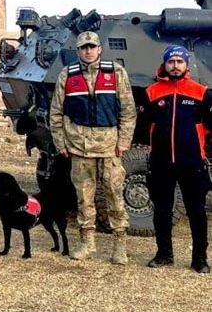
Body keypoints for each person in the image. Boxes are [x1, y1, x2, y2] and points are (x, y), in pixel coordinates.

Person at [50, 31, 136, 264]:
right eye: (83, 48)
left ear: (100, 49)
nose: (88, 51)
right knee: (84, 198)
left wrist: (124, 141)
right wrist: (60, 143)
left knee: (115, 196)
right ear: (78, 51)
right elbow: (56, 112)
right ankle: (87, 243)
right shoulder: (68, 75)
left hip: (109, 147)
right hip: (80, 148)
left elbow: (128, 110)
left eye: (92, 47)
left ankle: (119, 246)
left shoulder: (116, 73)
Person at [141, 45, 212, 273]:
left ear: (186, 64)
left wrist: (203, 150)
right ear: (164, 64)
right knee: (162, 211)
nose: (175, 66)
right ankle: (164, 254)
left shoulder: (201, 93)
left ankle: (199, 258)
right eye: (171, 62)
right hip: (161, 163)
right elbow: (144, 126)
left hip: (192, 163)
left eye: (179, 62)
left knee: (197, 212)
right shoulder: (151, 93)